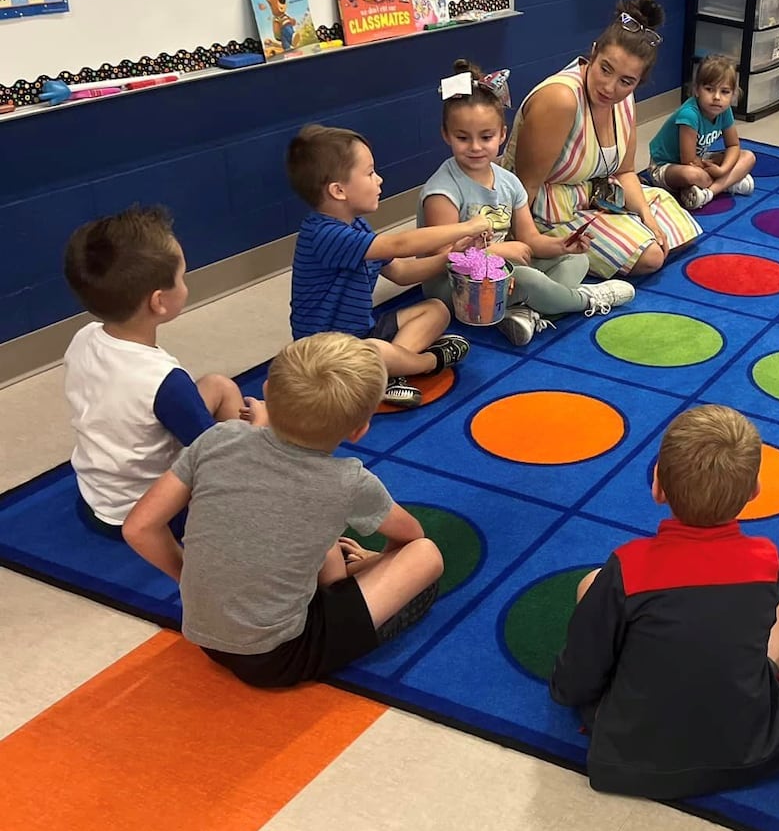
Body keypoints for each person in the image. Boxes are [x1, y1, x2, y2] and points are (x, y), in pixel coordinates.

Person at [121, 333, 445, 688]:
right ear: (360, 429)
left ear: (267, 390)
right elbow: (411, 536)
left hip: (202, 633)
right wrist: (373, 562)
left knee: (309, 526)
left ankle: (339, 578)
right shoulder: (347, 480)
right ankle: (356, 575)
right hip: (279, 656)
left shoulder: (217, 438)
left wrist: (188, 579)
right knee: (426, 556)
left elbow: (138, 528)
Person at [550, 406, 779, 799]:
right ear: (754, 492)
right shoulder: (765, 559)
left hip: (632, 756)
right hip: (750, 747)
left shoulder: (630, 566)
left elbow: (580, 672)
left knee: (590, 585)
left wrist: (569, 692)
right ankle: (772, 680)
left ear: (657, 487)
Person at [61, 206, 254, 536]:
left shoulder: (84, 338)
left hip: (98, 500)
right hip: (157, 515)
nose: (185, 283)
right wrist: (258, 429)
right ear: (159, 302)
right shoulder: (164, 382)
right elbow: (215, 455)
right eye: (183, 278)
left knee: (217, 385)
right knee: (244, 456)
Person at [419, 60, 635, 346]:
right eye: (462, 138)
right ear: (446, 135)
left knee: (576, 259)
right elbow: (445, 259)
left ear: (502, 135)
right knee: (526, 278)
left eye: (485, 137)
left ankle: (523, 313)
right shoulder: (442, 191)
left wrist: (561, 245)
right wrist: (499, 251)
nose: (475, 147)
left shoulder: (508, 182)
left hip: (498, 273)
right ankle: (584, 299)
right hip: (456, 288)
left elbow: (530, 239)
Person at [288, 124, 486, 409]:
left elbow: (403, 273)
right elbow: (400, 245)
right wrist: (466, 226)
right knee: (375, 351)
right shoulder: (324, 234)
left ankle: (388, 373)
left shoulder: (356, 226)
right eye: (369, 173)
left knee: (436, 310)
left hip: (360, 335)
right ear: (338, 190)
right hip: (323, 355)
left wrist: (452, 255)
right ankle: (426, 363)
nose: (379, 180)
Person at [505, 0, 702, 279]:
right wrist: (526, 244)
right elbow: (523, 190)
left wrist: (646, 217)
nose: (610, 88)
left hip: (595, 196)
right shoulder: (561, 99)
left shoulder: (625, 98)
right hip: (546, 211)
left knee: (679, 229)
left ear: (638, 82)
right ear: (593, 53)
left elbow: (625, 171)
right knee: (652, 256)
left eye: (626, 81)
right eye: (605, 69)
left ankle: (623, 231)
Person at [644, 53, 757, 209]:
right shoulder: (689, 115)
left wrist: (722, 169)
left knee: (748, 157)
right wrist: (719, 171)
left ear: (733, 94)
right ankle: (729, 183)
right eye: (709, 89)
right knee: (692, 174)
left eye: (725, 92)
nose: (717, 97)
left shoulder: (724, 110)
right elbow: (688, 161)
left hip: (700, 159)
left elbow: (733, 146)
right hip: (667, 166)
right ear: (696, 90)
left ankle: (709, 192)